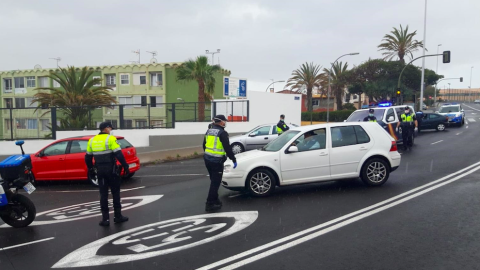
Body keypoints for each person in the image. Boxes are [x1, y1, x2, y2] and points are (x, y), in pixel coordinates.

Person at [85, 122, 130, 226]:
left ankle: (105, 219)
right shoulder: (110, 139)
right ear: (105, 129)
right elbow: (118, 154)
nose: (111, 130)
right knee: (115, 193)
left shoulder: (92, 140)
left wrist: (91, 169)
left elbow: (87, 157)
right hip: (111, 170)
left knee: (103, 194)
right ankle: (118, 216)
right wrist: (125, 166)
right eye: (110, 128)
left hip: (100, 171)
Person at [203, 115, 237, 212]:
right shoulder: (222, 133)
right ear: (221, 122)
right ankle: (210, 204)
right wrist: (233, 159)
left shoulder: (209, 131)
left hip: (207, 159)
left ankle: (215, 200)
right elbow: (228, 148)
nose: (225, 123)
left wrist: (208, 155)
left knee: (213, 181)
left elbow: (204, 145)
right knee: (215, 183)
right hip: (216, 161)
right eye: (224, 121)